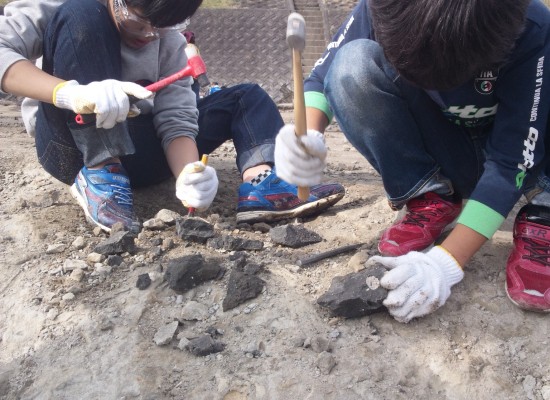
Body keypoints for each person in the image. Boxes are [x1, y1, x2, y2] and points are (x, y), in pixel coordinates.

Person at [275, 0, 550, 321]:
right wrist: (307, 135)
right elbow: (323, 75)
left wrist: (447, 262)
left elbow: (512, 160)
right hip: (451, 152)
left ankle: (544, 211)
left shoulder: (529, 25)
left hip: (528, 155)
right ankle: (429, 193)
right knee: (352, 66)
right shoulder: (386, 6)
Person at [0, 0, 345, 234]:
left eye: (164, 26)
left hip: (141, 149)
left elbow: (176, 117)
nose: (150, 34)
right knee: (82, 14)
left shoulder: (167, 36)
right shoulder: (62, 6)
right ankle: (102, 170)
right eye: (138, 20)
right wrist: (69, 93)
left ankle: (261, 185)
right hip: (71, 147)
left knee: (246, 98)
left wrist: (188, 175)